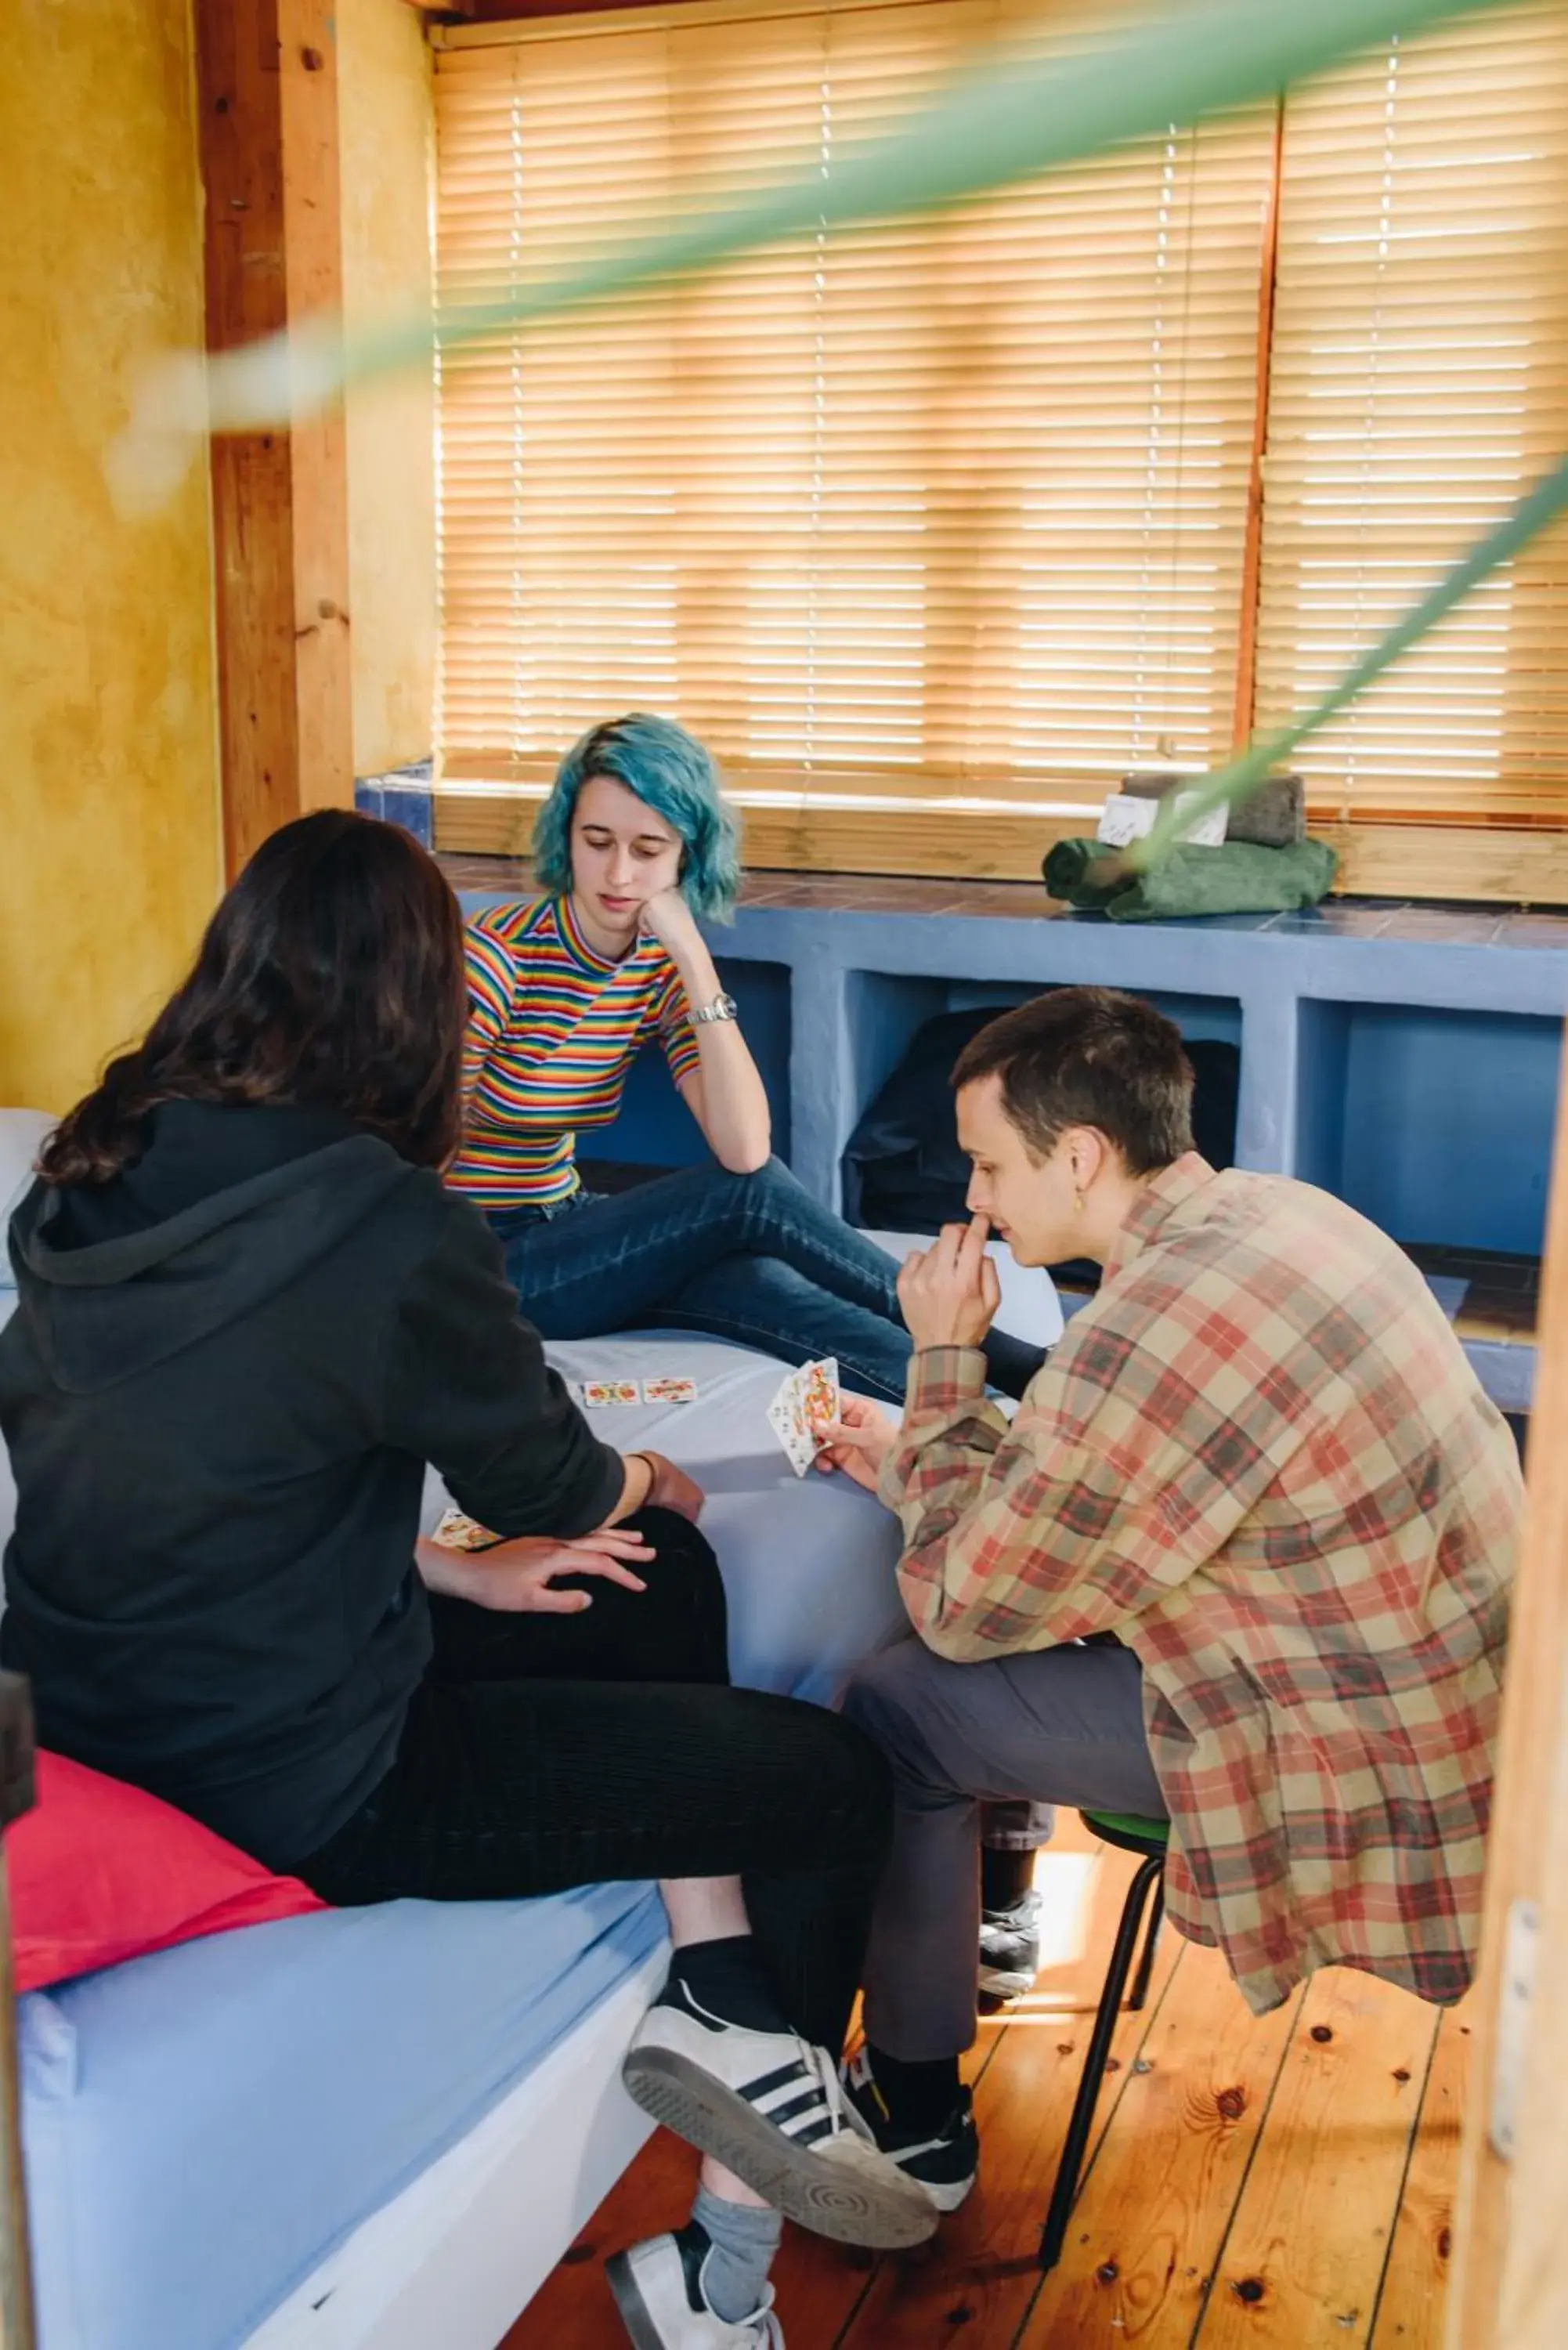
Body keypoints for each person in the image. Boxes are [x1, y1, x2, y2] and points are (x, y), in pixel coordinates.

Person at [0, 811, 936, 2350]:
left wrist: (452, 1570)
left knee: (640, 1584)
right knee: (823, 1776)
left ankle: (709, 1979)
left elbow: (201, 1456)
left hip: (92, 1698)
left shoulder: (88, 1175)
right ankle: (729, 2245)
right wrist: (649, 1475)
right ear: (416, 1010)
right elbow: (552, 1481)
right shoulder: (386, 1223)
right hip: (315, 1781)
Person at [811, 986, 1520, 2211]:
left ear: (1077, 1155)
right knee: (1036, 1597)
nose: (971, 1198)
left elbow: (961, 1606)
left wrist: (941, 1368)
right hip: (1477, 1692)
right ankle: (985, 1927)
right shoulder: (1282, 1210)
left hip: (1357, 1750)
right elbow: (1090, 1488)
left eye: (986, 1165)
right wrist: (936, 1450)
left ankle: (915, 2121)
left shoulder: (1142, 1330)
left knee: (897, 1704)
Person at [451, 711, 1042, 1404]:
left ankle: (992, 1412)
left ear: (684, 860)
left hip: (564, 1222)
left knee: (762, 1283)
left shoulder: (658, 969)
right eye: (596, 841)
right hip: (480, 1265)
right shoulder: (492, 961)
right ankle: (1017, 1359)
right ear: (567, 838)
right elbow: (408, 1156)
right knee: (746, 1202)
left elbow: (744, 1146)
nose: (618, 872)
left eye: (648, 849)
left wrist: (695, 963)